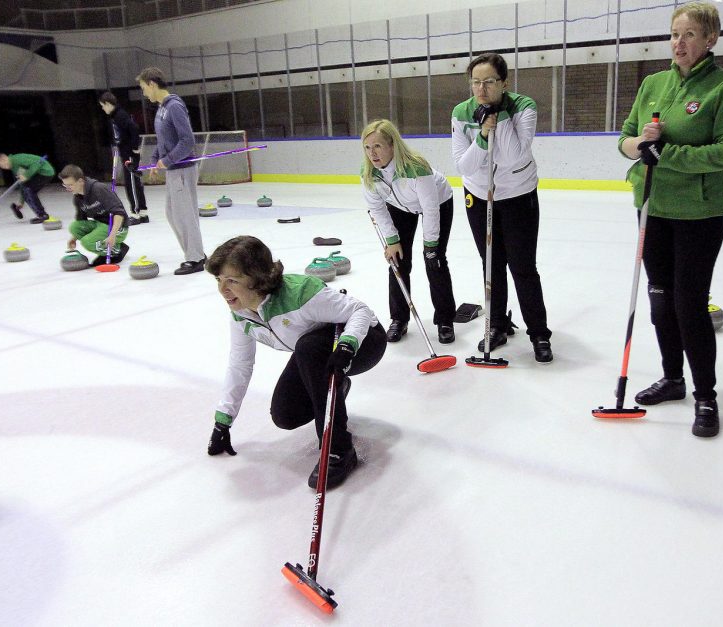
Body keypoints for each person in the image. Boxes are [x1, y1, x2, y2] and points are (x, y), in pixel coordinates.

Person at [619, 1, 723, 438]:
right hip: (652, 208)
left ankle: (706, 396)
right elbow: (623, 138)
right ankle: (673, 379)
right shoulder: (654, 83)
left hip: (699, 213)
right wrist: (639, 145)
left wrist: (666, 154)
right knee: (659, 302)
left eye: (689, 34)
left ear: (710, 39)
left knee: (688, 305)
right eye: (675, 34)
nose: (679, 42)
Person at [207, 236, 387, 490]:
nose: (222, 290)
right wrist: (223, 420)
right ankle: (334, 388)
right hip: (315, 354)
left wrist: (347, 344)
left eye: (232, 281)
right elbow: (240, 364)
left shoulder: (301, 294)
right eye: (219, 280)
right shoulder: (241, 313)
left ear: (257, 277)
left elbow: (361, 312)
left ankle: (338, 450)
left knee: (308, 348)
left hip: (364, 341)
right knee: (286, 415)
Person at [451, 53, 553, 363]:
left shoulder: (524, 107)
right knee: (491, 264)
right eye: (475, 82)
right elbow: (464, 165)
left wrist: (500, 117)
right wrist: (482, 134)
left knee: (523, 267)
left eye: (489, 82)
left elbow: (512, 157)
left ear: (504, 83)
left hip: (518, 194)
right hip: (479, 196)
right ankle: (495, 326)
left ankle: (538, 333)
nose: (481, 89)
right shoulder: (461, 112)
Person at [361, 119, 457, 345]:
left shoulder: (416, 167)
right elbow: (377, 207)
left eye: (378, 146)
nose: (372, 154)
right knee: (397, 261)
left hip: (437, 202)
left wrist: (431, 246)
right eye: (367, 147)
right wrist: (392, 240)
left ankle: (445, 320)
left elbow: (431, 209)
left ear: (392, 145)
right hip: (400, 206)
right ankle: (399, 319)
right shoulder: (369, 173)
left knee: (435, 261)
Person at [136, 66, 206, 275]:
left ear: (152, 84)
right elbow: (164, 139)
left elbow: (187, 141)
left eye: (143, 88)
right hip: (173, 170)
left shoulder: (174, 106)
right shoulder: (161, 108)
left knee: (184, 215)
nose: (143, 93)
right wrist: (157, 159)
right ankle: (196, 253)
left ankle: (196, 258)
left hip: (182, 169)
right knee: (172, 214)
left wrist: (168, 160)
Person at [58, 164, 130, 266]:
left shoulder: (99, 189)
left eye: (70, 185)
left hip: (118, 226)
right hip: (100, 224)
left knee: (87, 242)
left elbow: (119, 213)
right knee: (74, 227)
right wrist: (74, 238)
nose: (68, 189)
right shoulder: (77, 197)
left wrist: (112, 235)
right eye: (65, 185)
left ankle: (116, 251)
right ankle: (108, 245)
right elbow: (81, 220)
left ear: (80, 181)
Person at [99, 91, 148, 225]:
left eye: (103, 106)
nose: (103, 109)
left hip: (129, 156)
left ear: (108, 104)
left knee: (131, 184)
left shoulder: (120, 115)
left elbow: (134, 128)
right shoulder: (115, 116)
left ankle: (136, 213)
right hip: (125, 153)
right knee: (134, 183)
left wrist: (134, 148)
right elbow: (121, 134)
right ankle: (143, 212)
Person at [0, 152, 54, 224]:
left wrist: (26, 175)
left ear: (4, 158)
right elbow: (23, 184)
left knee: (29, 189)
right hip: (37, 173)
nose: (2, 167)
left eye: (1, 164)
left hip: (45, 172)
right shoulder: (14, 167)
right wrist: (21, 201)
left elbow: (37, 163)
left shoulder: (17, 159)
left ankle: (43, 215)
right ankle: (40, 214)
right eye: (0, 166)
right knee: (27, 190)